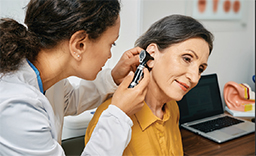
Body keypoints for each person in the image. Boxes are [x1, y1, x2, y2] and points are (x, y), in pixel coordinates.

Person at [0, 0, 150, 155]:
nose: (110, 54)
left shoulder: (47, 74)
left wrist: (112, 78)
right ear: (79, 44)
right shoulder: (16, 106)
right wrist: (119, 114)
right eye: (111, 44)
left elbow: (68, 100)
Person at [84, 14, 214, 156]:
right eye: (187, 58)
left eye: (200, 69)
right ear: (152, 54)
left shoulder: (172, 108)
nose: (195, 78)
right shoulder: (110, 121)